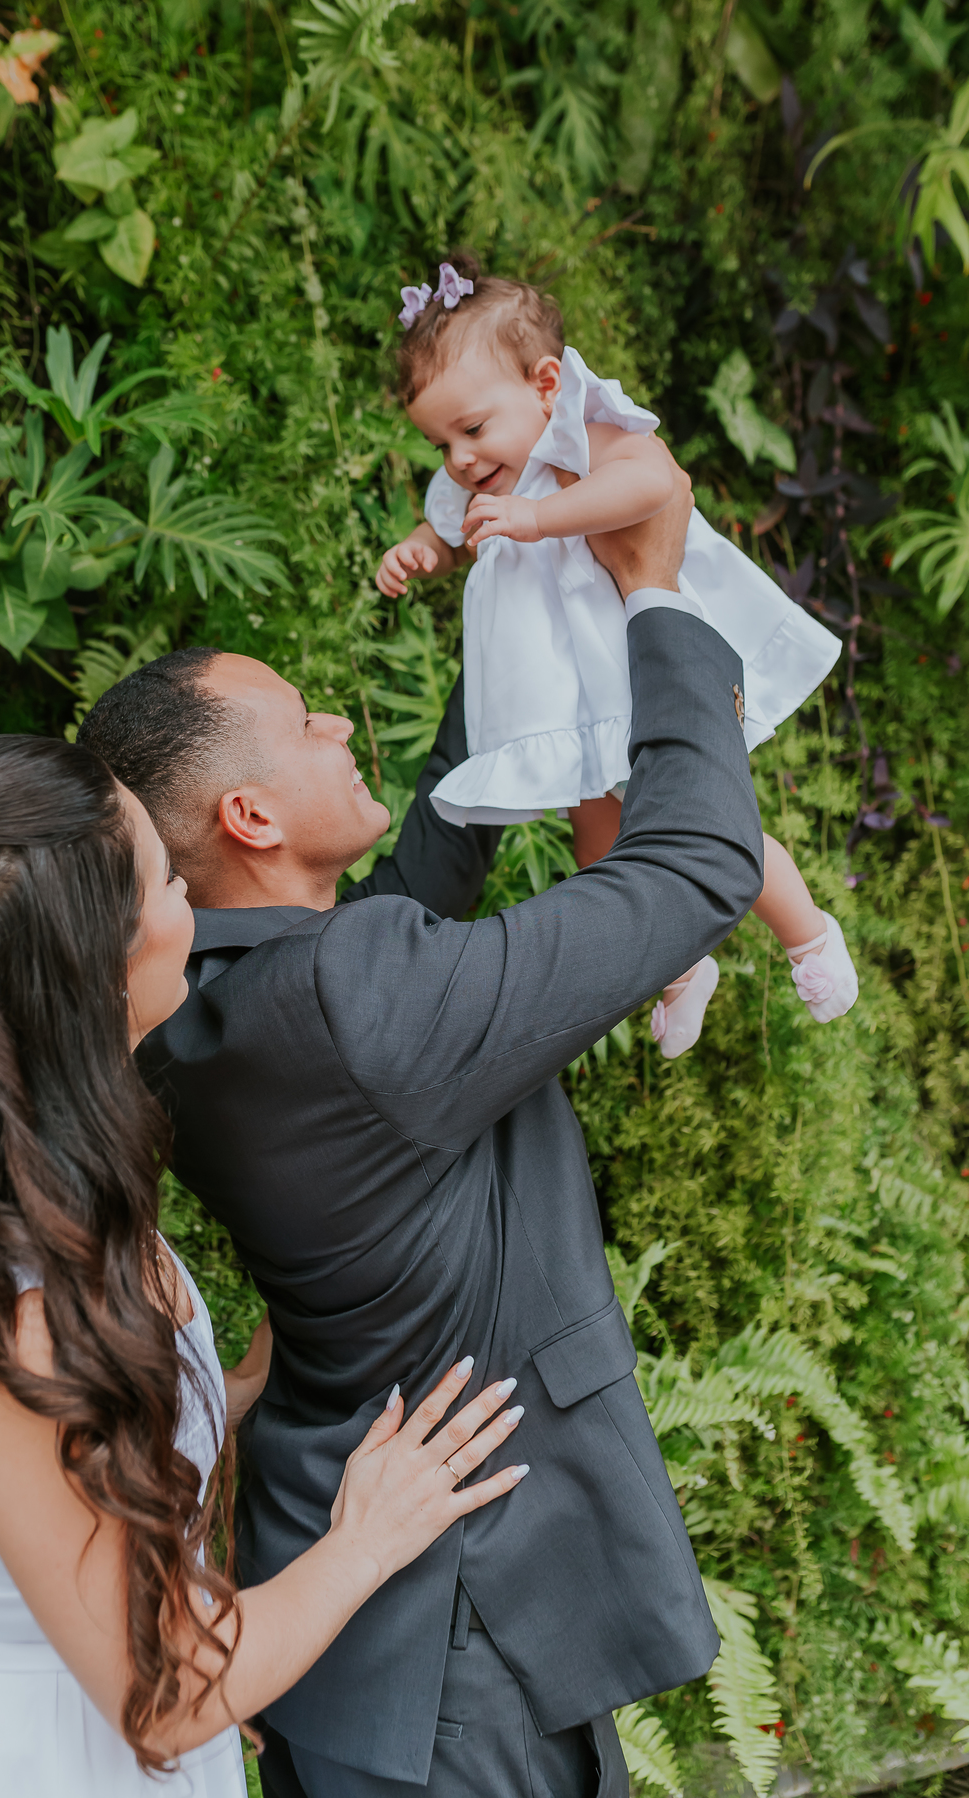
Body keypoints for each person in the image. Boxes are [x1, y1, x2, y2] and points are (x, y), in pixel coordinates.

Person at [77, 473, 761, 1798]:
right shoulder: (354, 997)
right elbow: (693, 869)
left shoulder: (202, 1004)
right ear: (251, 817)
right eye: (302, 717)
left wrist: (508, 612)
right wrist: (654, 591)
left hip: (368, 1621)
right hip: (464, 1632)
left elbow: (418, 881)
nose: (337, 718)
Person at [0, 735, 527, 1798]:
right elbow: (167, 1690)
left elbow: (64, 1492)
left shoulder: (2, 1199)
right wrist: (364, 1539)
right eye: (171, 881)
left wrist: (228, 1389)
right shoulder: (20, 1321)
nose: (194, 905)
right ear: (94, 959)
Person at [374, 254, 857, 1057]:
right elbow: (456, 530)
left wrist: (538, 518)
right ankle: (679, 968)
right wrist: (425, 550)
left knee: (706, 825)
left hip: (635, 676)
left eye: (472, 429)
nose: (459, 458)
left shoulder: (586, 435)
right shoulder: (475, 478)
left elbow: (653, 487)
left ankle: (808, 933)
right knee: (604, 853)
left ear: (544, 384)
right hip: (566, 703)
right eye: (440, 441)